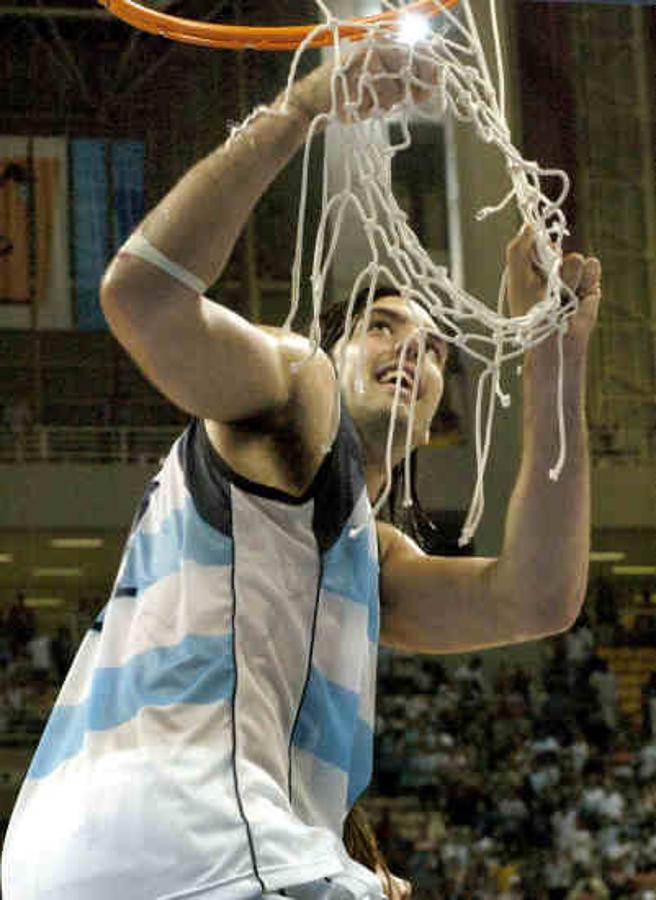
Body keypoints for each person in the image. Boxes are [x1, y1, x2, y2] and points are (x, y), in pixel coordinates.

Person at [1, 42, 602, 900]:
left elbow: (537, 599)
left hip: (72, 856)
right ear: (328, 346)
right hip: (190, 836)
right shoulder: (298, 385)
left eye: (433, 350)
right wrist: (305, 106)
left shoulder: (360, 551)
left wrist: (554, 362)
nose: (413, 352)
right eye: (383, 326)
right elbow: (140, 294)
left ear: (438, 415)